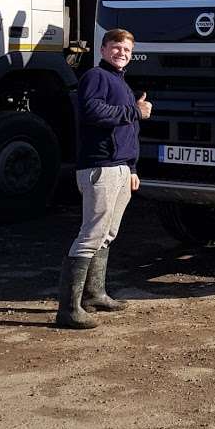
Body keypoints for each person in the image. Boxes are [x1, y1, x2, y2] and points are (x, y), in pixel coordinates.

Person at [54, 27, 152, 329]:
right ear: (103, 49)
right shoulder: (96, 77)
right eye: (116, 47)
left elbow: (126, 132)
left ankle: (94, 294)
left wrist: (132, 169)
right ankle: (68, 310)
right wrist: (133, 111)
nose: (121, 53)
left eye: (127, 50)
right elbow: (92, 111)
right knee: (92, 234)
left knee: (107, 234)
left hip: (120, 168)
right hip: (101, 167)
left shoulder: (119, 81)